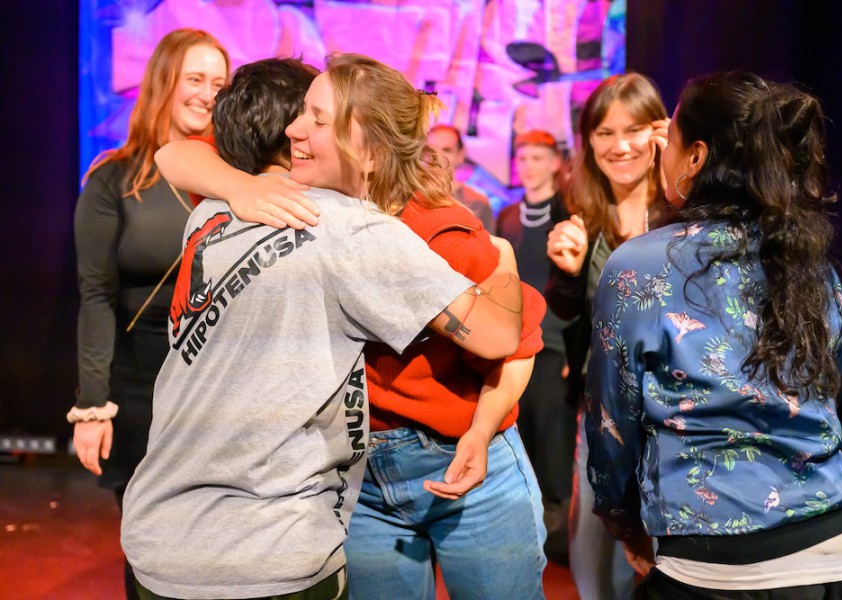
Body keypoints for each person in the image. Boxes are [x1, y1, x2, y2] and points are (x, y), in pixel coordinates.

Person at [122, 54, 527, 600]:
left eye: (317, 118)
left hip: (166, 535)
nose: (295, 129)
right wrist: (506, 261)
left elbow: (511, 342)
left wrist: (500, 262)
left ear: (371, 149)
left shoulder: (221, 211)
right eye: (299, 115)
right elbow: (176, 153)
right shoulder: (287, 207)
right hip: (283, 538)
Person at [587, 71, 842, 599]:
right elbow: (826, 390)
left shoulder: (638, 266)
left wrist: (623, 522)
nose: (660, 153)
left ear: (695, 157)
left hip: (716, 566)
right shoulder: (812, 262)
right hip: (838, 550)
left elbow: (612, 426)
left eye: (668, 139)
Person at [68, 28, 229, 600]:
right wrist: (92, 407)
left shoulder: (235, 179)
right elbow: (95, 296)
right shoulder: (113, 177)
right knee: (153, 548)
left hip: (220, 382)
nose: (207, 94)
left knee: (220, 549)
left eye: (219, 84)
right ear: (163, 82)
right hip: (141, 385)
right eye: (195, 79)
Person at [545, 72, 672, 599]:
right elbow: (567, 311)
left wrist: (681, 168)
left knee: (662, 555)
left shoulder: (684, 209)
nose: (620, 146)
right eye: (604, 133)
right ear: (588, 140)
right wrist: (568, 274)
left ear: (660, 131)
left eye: (634, 129)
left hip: (674, 410)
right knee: (593, 554)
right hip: (602, 406)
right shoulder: (578, 206)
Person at [496, 129, 575, 564]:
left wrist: (575, 350)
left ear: (555, 163)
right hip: (514, 344)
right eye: (522, 158)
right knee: (518, 434)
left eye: (537, 158)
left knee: (553, 438)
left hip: (555, 346)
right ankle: (524, 530)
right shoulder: (508, 215)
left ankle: (557, 534)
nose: (528, 166)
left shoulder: (567, 210)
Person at [428, 124, 496, 232]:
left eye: (446, 150)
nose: (437, 156)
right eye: (431, 149)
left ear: (460, 155)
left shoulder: (478, 203)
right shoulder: (410, 197)